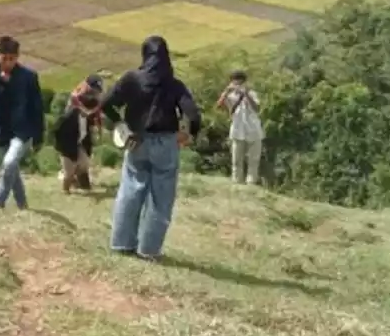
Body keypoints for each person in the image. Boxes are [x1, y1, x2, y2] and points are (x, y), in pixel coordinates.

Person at [102, 35, 201, 262]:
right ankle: (149, 249)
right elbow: (193, 114)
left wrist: (122, 126)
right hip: (166, 142)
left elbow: (106, 104)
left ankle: (122, 243)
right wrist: (188, 134)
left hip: (136, 140)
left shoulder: (132, 79)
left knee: (130, 190)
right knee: (161, 197)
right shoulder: (174, 85)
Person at [0, 36, 44, 211]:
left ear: (17, 57)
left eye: (12, 58)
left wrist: (38, 137)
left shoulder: (29, 77)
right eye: (4, 58)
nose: (8, 62)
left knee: (8, 163)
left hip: (22, 132)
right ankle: (23, 205)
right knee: (11, 170)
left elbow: (37, 108)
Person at [217, 69, 264, 185]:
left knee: (254, 159)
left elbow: (257, 108)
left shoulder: (252, 93)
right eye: (235, 82)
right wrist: (226, 92)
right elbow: (219, 106)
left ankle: (251, 181)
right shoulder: (230, 95)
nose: (237, 84)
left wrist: (246, 94)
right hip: (238, 130)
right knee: (237, 159)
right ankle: (237, 181)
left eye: (240, 82)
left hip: (254, 130)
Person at [53, 85, 102, 193]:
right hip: (66, 147)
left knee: (84, 164)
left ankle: (82, 184)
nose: (89, 113)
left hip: (79, 144)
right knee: (69, 173)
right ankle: (65, 191)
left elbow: (88, 129)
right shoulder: (68, 117)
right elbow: (57, 130)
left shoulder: (89, 116)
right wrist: (63, 149)